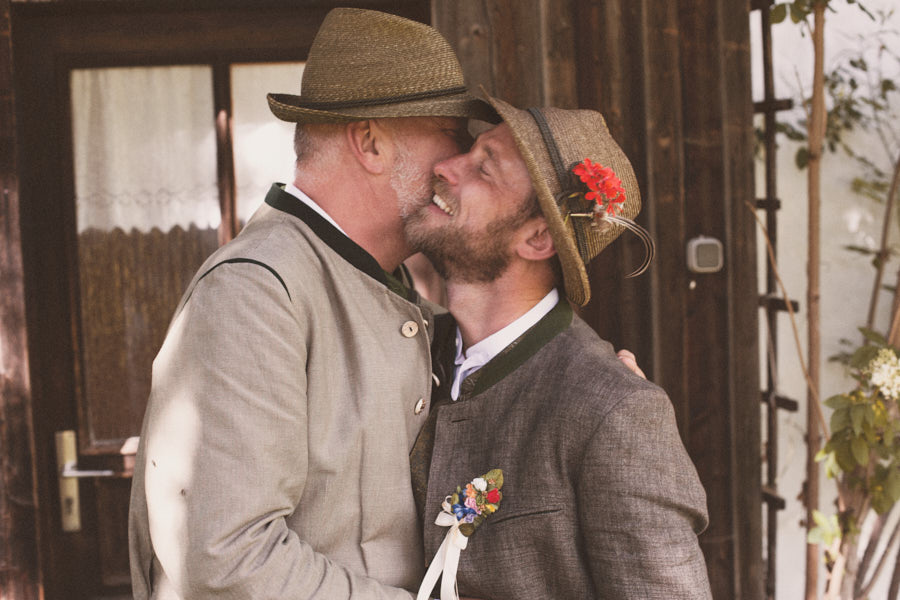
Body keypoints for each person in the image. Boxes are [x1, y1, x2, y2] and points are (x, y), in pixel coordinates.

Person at [128, 8, 497, 599]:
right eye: (452, 137)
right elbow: (226, 559)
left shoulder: (393, 292)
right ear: (371, 143)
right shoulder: (254, 295)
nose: (458, 167)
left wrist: (579, 383)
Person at [406, 94, 713, 598]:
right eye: (470, 151)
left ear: (537, 238)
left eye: (485, 169)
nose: (445, 166)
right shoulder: (416, 347)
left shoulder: (614, 410)